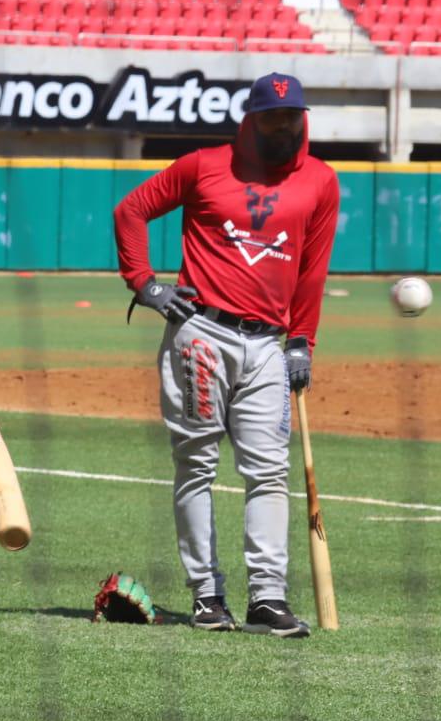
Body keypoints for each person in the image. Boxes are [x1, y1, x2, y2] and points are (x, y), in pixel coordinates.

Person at [112, 72, 339, 639]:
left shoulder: (320, 181)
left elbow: (313, 269)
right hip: (201, 334)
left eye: (293, 118)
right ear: (251, 118)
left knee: (268, 471)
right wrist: (144, 282)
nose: (284, 128)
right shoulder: (203, 166)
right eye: (273, 118)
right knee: (197, 466)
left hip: (267, 344)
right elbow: (131, 211)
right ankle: (207, 595)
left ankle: (267, 598)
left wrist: (301, 340)